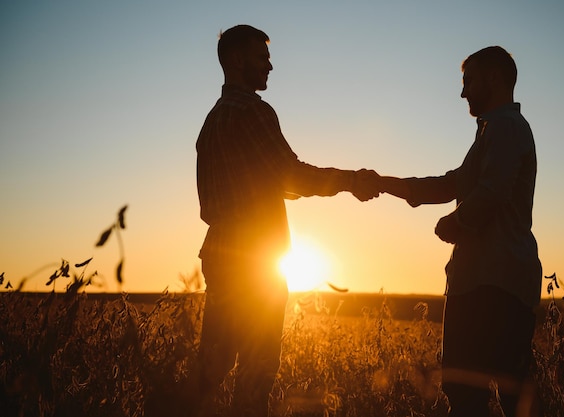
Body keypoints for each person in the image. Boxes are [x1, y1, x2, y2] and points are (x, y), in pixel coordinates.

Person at [195, 24, 379, 417]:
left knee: (211, 367)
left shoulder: (211, 123)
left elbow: (262, 184)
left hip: (219, 252)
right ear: (236, 60)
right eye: (262, 57)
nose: (271, 66)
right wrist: (349, 181)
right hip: (256, 259)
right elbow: (290, 176)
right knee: (257, 373)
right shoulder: (254, 112)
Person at [375, 46, 542, 416]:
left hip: (492, 284)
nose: (463, 92)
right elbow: (451, 184)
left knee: (472, 392)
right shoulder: (492, 131)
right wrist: (387, 184)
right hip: (485, 280)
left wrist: (456, 223)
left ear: (494, 79)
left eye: (468, 81)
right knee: (473, 389)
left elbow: (493, 190)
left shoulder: (506, 127)